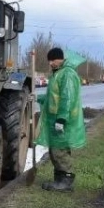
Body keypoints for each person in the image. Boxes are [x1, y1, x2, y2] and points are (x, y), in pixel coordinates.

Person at [37, 47, 86, 192]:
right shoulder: (57, 74)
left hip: (63, 121)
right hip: (55, 119)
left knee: (60, 151)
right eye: (49, 61)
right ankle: (59, 180)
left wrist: (62, 119)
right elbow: (54, 97)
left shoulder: (67, 74)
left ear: (61, 59)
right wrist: (39, 98)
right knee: (55, 151)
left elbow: (67, 98)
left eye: (53, 60)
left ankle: (66, 181)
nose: (50, 63)